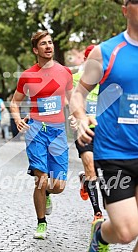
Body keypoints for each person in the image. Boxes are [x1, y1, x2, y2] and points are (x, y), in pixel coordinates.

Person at [70, 1, 138, 251]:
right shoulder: (106, 51)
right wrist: (80, 116)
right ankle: (100, 235)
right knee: (126, 230)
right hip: (115, 153)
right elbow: (79, 94)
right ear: (125, 9)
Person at [10, 30, 74, 240]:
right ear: (35, 50)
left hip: (57, 132)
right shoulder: (28, 75)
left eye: (50, 43)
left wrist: (75, 116)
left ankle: (47, 194)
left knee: (58, 186)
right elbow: (14, 102)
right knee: (41, 179)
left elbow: (72, 100)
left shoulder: (65, 72)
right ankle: (41, 223)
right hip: (36, 130)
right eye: (43, 44)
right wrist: (18, 118)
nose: (48, 46)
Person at [73, 45, 103, 223]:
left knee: (101, 171)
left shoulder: (109, 80)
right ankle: (97, 213)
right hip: (83, 131)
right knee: (90, 166)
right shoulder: (76, 79)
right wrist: (73, 116)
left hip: (105, 132)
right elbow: (68, 99)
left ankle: (85, 180)